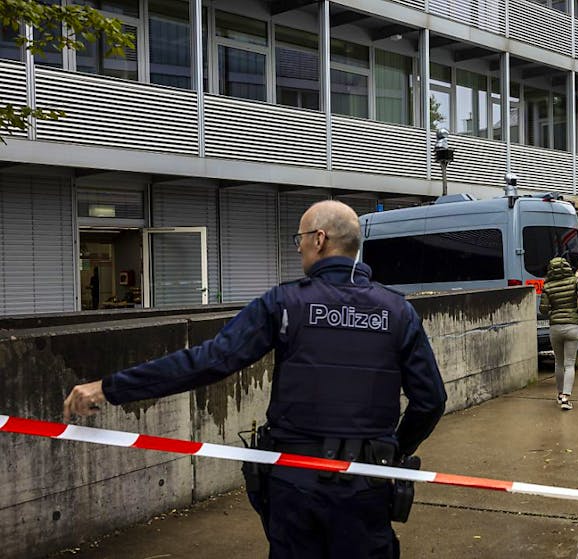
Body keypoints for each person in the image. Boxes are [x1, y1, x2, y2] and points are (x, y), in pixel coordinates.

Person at [63, 200, 448, 559]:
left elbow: (208, 361)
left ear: (319, 239)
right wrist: (390, 451)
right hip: (368, 483)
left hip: (295, 484)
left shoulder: (285, 303)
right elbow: (430, 400)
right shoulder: (398, 312)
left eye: (300, 238)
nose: (298, 248)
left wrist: (110, 387)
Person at [539, 256, 578, 411]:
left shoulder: (547, 286)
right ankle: (566, 398)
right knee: (569, 364)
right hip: (573, 325)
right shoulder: (574, 281)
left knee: (559, 362)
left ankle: (559, 393)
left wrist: (552, 311)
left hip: (555, 327)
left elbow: (542, 309)